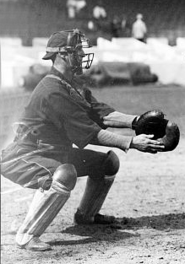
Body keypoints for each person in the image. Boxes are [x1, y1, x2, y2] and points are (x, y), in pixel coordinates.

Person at [1, 28, 164, 251]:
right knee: (65, 173)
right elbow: (91, 133)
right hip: (25, 156)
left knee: (108, 163)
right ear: (61, 55)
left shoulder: (72, 85)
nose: (81, 55)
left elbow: (101, 114)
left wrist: (136, 121)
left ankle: (86, 215)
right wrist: (132, 142)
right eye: (76, 51)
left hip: (54, 152)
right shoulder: (52, 90)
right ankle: (27, 235)